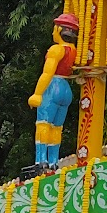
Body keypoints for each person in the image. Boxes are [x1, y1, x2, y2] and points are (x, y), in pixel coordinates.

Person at [29, 12, 81, 167]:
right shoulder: (74, 51)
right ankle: (54, 161)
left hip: (53, 87)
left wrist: (37, 94)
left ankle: (41, 161)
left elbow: (47, 73)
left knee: (43, 124)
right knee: (57, 127)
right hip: (66, 89)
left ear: (59, 30)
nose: (53, 32)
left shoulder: (56, 50)